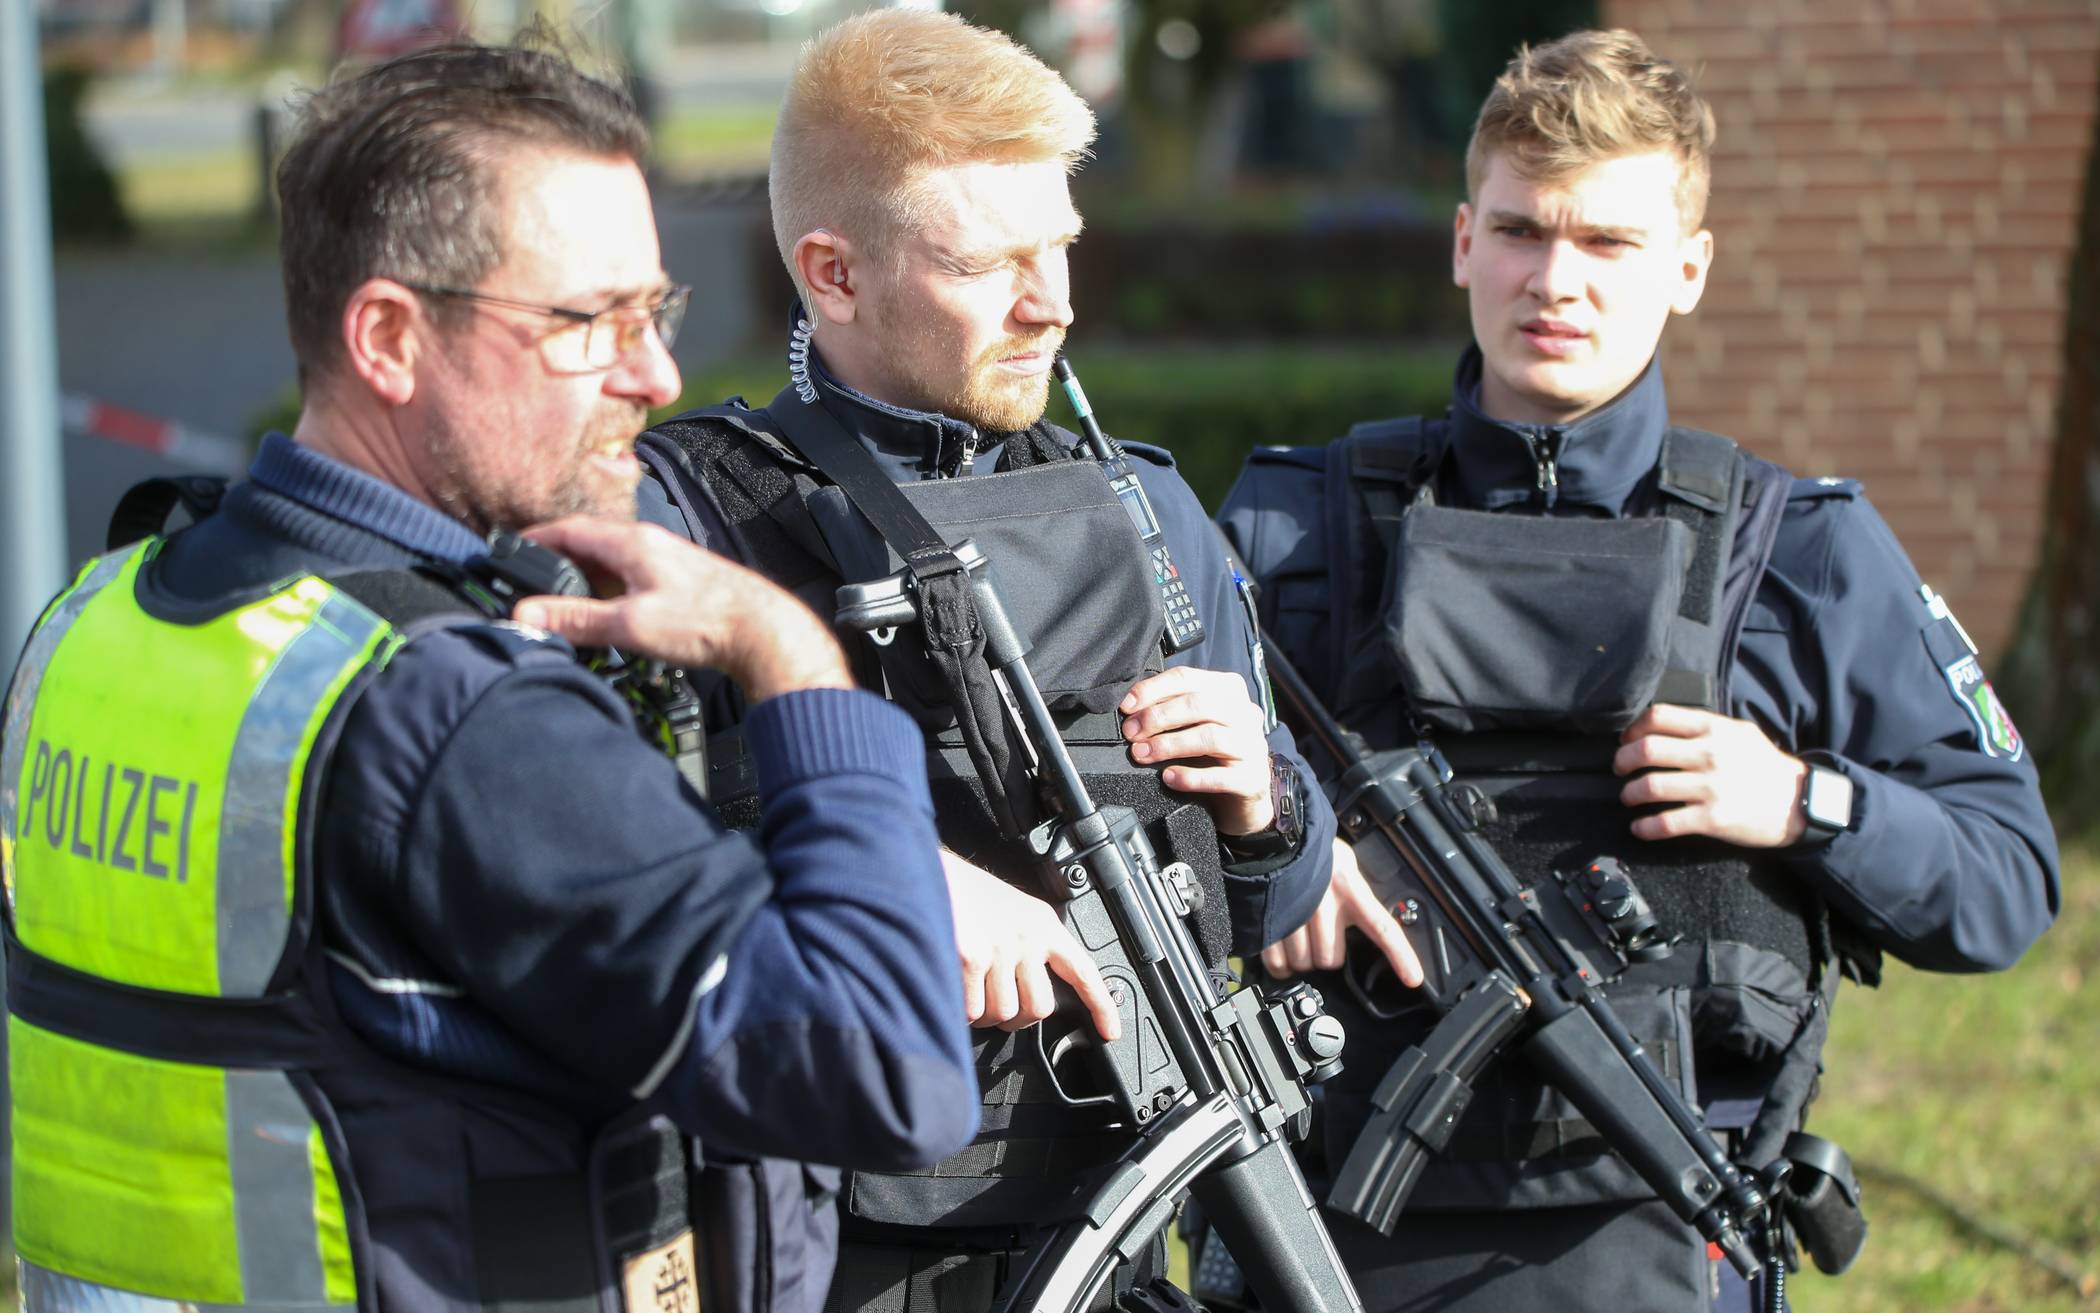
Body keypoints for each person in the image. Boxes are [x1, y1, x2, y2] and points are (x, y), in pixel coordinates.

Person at [0, 36, 978, 1313]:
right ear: (390, 338)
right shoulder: (456, 714)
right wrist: (790, 657)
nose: (657, 374)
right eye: (593, 322)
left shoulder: (102, 618)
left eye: (658, 310)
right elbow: (892, 1076)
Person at [1222, 28, 2060, 1313]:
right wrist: (1279, 846)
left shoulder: (1804, 553)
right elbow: (1121, 819)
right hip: (1332, 1239)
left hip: (1674, 1234)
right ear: (1464, 242)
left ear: (1688, 268)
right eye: (1522, 230)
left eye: (1609, 241)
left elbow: (2007, 880)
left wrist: (1803, 800)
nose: (1555, 280)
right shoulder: (1292, 530)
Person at [632, 11, 1338, 1310]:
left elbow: (1281, 908)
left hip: (1126, 1232)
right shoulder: (691, 519)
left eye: (1058, 247)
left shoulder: (1148, 512)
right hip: (827, 1254)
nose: (1051, 303)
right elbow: (598, 860)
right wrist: (883, 869)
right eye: (988, 263)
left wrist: (1266, 804)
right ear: (834, 274)